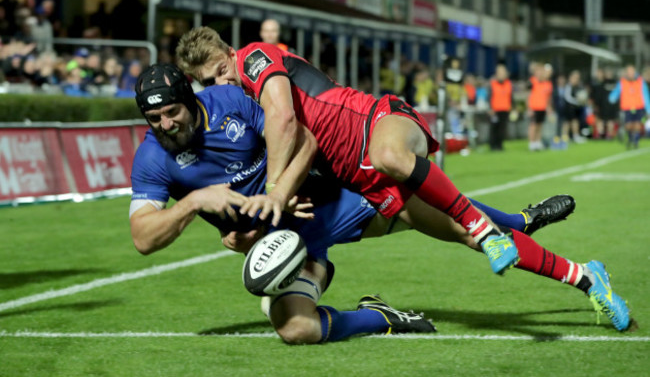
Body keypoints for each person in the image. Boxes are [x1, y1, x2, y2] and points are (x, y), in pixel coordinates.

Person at [129, 64, 632, 345]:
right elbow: (143, 238)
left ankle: (584, 274)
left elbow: (301, 140)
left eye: (172, 113)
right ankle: (385, 318)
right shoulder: (153, 159)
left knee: (465, 231)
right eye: (155, 120)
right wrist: (195, 202)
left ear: (191, 100)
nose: (166, 126)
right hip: (293, 240)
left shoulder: (233, 102)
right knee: (297, 329)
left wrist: (276, 195)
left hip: (341, 198)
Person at [176, 27, 523, 275]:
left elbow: (284, 119)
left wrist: (274, 192)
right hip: (337, 173)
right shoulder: (240, 104)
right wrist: (240, 228)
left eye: (222, 70)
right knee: (435, 220)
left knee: (429, 209)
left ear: (231, 54)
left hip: (361, 137)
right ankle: (516, 230)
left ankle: (517, 226)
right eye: (209, 82)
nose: (221, 83)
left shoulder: (253, 57)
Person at [609, 64, 650, 149]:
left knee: (637, 125)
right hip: (627, 107)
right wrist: (612, 97)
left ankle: (636, 141)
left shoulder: (640, 82)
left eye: (632, 72)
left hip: (639, 107)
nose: (630, 74)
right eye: (628, 72)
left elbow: (645, 95)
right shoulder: (622, 82)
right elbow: (617, 91)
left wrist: (648, 108)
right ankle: (631, 138)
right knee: (628, 125)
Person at [527, 63, 554, 151]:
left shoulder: (548, 84)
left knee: (539, 126)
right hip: (534, 108)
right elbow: (528, 95)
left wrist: (549, 107)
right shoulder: (532, 81)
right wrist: (529, 108)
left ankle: (538, 142)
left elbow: (548, 98)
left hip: (542, 108)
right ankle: (531, 143)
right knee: (533, 126)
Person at [487, 64, 513, 151]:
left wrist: (512, 107)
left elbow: (511, 97)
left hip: (505, 109)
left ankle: (500, 145)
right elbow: (489, 97)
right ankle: (493, 145)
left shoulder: (508, 84)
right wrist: (490, 108)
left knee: (502, 128)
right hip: (495, 110)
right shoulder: (492, 84)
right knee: (494, 128)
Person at [561, 70, 587, 144]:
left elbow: (583, 96)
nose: (576, 79)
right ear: (571, 78)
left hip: (576, 108)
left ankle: (576, 136)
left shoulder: (579, 86)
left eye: (577, 78)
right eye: (575, 78)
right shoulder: (568, 86)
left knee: (575, 121)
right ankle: (564, 137)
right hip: (568, 107)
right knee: (567, 122)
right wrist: (577, 101)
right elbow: (567, 97)